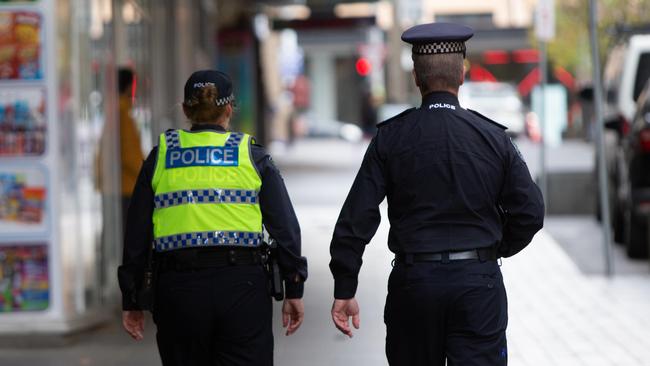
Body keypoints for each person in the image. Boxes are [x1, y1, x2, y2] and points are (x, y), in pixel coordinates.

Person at [329, 23, 544, 365]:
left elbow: (357, 218)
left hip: (415, 284)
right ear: (462, 73)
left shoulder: (390, 138)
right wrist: (494, 248)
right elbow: (531, 212)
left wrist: (345, 285)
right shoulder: (493, 138)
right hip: (478, 284)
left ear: (416, 77)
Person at [118, 70, 307, 366]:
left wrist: (131, 298)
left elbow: (136, 235)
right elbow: (285, 228)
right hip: (242, 288)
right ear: (229, 109)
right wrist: (294, 287)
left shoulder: (161, 156)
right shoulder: (251, 155)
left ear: (185, 110)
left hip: (178, 291)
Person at [117, 67, 144, 228]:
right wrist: (145, 173)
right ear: (129, 86)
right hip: (126, 184)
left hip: (122, 182)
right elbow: (128, 152)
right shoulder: (123, 112)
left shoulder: (119, 110)